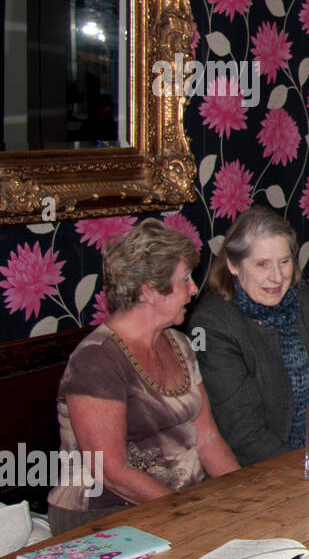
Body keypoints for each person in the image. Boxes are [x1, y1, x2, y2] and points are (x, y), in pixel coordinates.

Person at [46, 220, 239, 534]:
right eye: (185, 279)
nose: (193, 289)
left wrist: (240, 495)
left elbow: (208, 439)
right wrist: (192, 517)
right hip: (103, 514)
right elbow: (112, 472)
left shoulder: (179, 344)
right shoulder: (96, 359)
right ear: (149, 290)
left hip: (178, 503)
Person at [188, 206, 309, 466]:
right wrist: (304, 468)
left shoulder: (303, 299)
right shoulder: (213, 324)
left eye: (284, 262)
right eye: (262, 264)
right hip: (260, 469)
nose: (278, 277)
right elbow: (243, 433)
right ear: (233, 265)